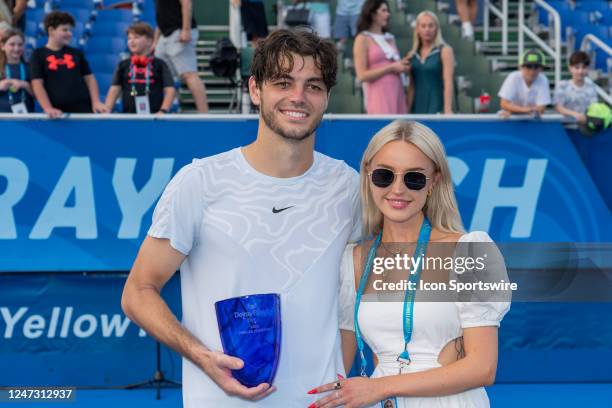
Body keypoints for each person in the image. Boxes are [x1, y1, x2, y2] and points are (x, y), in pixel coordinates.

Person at [121, 29, 361, 407]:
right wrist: (202, 357)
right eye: (283, 83)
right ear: (255, 90)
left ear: (327, 97)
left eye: (313, 86)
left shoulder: (348, 187)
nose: (298, 97)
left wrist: (342, 375)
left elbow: (354, 298)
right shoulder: (199, 182)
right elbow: (137, 292)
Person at [308, 120, 511, 407]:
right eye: (384, 175)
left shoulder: (469, 251)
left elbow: (483, 367)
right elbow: (341, 362)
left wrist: (379, 387)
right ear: (368, 175)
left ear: (434, 181)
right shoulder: (353, 260)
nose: (398, 189)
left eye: (414, 177)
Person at [29, 11, 107, 117]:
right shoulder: (38, 54)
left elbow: (90, 79)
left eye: (70, 30)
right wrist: (48, 108)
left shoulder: (77, 53)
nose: (69, 34)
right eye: (65, 30)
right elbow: (37, 84)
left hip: (83, 111)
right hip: (57, 115)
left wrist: (96, 102)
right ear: (51, 30)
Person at [105, 22, 175, 114]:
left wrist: (163, 111)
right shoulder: (123, 65)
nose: (132, 41)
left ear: (149, 41)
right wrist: (107, 109)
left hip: (154, 117)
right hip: (129, 117)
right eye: (129, 38)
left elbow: (170, 90)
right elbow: (114, 89)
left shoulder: (160, 64)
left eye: (136, 37)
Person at [353, 0, 409, 114]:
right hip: (378, 95)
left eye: (388, 11)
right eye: (383, 11)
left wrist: (403, 65)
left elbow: (395, 64)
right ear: (372, 14)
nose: (387, 14)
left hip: (397, 92)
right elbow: (361, 75)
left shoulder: (390, 38)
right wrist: (391, 68)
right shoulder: (362, 38)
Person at [153, 0, 208, 112]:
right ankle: (168, 109)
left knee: (189, 74)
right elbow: (162, 13)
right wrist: (155, 40)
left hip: (179, 32)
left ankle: (204, 115)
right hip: (165, 35)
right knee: (163, 76)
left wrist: (186, 29)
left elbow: (186, 2)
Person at [407, 11, 455, 114]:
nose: (427, 29)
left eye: (430, 26)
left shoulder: (445, 50)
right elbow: (411, 85)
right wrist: (407, 110)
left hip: (436, 104)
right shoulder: (412, 54)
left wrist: (447, 110)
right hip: (417, 105)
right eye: (423, 26)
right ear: (417, 29)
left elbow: (448, 82)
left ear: (436, 28)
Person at [498, 49, 550, 118]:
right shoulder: (513, 77)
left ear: (541, 69)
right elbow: (504, 104)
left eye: (536, 67)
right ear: (520, 67)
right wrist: (529, 110)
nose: (532, 71)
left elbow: (541, 109)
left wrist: (513, 109)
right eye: (528, 67)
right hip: (512, 121)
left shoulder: (543, 79)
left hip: (531, 122)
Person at [554, 50, 598, 124]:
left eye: (583, 67)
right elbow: (558, 108)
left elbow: (594, 107)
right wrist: (576, 115)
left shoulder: (591, 86)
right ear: (570, 68)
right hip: (565, 128)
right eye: (577, 67)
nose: (580, 71)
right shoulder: (562, 86)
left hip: (585, 128)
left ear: (588, 68)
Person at [0, 28, 33, 113]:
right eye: (12, 44)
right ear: (2, 46)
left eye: (20, 45)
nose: (16, 48)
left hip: (26, 120)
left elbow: (39, 96)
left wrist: (26, 85)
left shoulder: (30, 68)